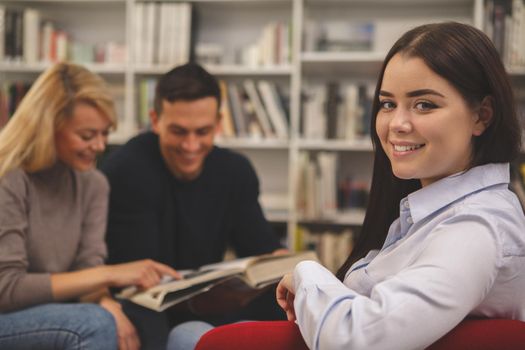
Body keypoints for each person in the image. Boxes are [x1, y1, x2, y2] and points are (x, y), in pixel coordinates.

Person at [275, 22, 525, 350]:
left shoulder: (477, 226)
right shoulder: (426, 211)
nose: (397, 124)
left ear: (482, 116)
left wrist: (305, 273)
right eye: (388, 104)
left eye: (424, 104)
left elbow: (360, 340)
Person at [101, 62, 286, 349]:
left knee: (283, 297)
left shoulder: (235, 170)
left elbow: (260, 248)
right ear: (155, 120)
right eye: (178, 131)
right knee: (155, 322)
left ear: (218, 123)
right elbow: (138, 281)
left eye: (202, 132)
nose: (190, 145)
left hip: (207, 299)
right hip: (147, 304)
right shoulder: (126, 169)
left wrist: (283, 265)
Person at [0, 62, 179, 350]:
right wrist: (111, 274)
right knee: (93, 324)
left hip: (57, 310)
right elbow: (6, 288)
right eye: (87, 136)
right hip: (6, 315)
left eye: (105, 133)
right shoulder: (10, 178)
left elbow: (87, 266)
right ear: (48, 128)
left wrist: (107, 302)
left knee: (141, 318)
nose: (99, 146)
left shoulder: (93, 183)